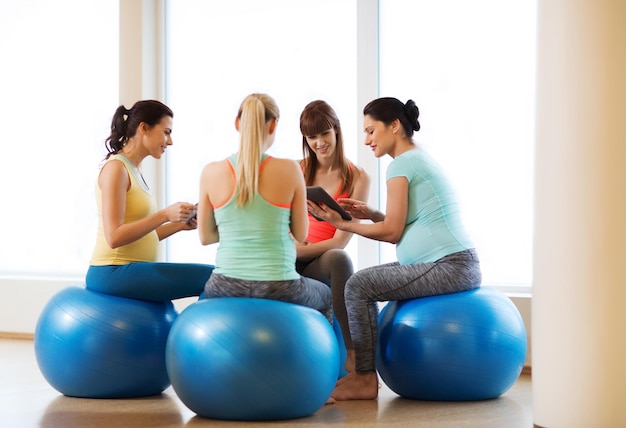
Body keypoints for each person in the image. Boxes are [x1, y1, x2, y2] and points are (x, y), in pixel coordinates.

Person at [307, 97, 482, 400]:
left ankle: (363, 378)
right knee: (359, 283)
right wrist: (371, 214)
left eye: (371, 131)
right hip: (452, 262)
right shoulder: (415, 158)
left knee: (358, 285)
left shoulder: (401, 164)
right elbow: (403, 221)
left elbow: (392, 233)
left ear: (395, 126)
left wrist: (342, 222)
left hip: (449, 265)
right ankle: (364, 372)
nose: (366, 140)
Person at [197, 93, 332, 322]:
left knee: (204, 299)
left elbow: (206, 237)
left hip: (224, 284)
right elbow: (301, 234)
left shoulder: (210, 172)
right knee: (327, 296)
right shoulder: (290, 170)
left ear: (237, 123)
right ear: (273, 125)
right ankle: (343, 358)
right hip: (279, 285)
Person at [86, 100, 214, 302]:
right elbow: (114, 237)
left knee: (216, 277)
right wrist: (164, 214)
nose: (170, 141)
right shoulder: (116, 169)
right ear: (144, 128)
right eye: (166, 132)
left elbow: (142, 236)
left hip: (129, 269)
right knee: (214, 278)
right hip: (112, 272)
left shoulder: (134, 170)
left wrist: (178, 225)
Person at [296, 100, 370, 374]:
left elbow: (340, 240)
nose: (319, 143)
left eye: (324, 134)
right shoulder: (297, 170)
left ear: (336, 130)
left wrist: (299, 251)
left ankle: (353, 357)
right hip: (289, 253)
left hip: (317, 259)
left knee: (339, 259)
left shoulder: (358, 178)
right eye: (311, 137)